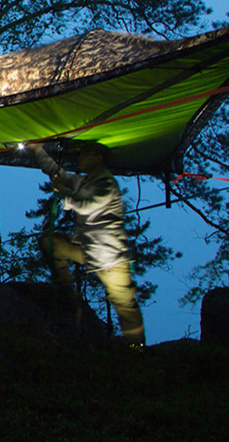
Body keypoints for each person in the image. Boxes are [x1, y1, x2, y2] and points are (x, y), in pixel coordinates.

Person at [25, 142, 145, 346]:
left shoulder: (106, 183)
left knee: (124, 304)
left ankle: (137, 348)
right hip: (88, 251)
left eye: (84, 154)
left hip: (111, 258)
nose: (79, 159)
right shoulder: (83, 181)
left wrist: (63, 190)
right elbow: (57, 172)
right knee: (49, 241)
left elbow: (88, 205)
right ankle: (67, 292)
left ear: (98, 158)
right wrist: (38, 150)